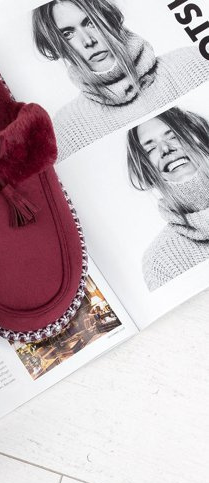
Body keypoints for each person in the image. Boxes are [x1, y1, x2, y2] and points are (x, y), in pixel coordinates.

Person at [32, 0, 209, 161]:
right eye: (68, 34)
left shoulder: (193, 63)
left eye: (91, 22)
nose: (88, 41)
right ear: (57, 47)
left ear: (110, 19)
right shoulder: (66, 127)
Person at [127, 107, 209, 291]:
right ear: (147, 171)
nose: (165, 148)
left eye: (173, 136)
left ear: (201, 137)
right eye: (150, 149)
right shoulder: (161, 261)